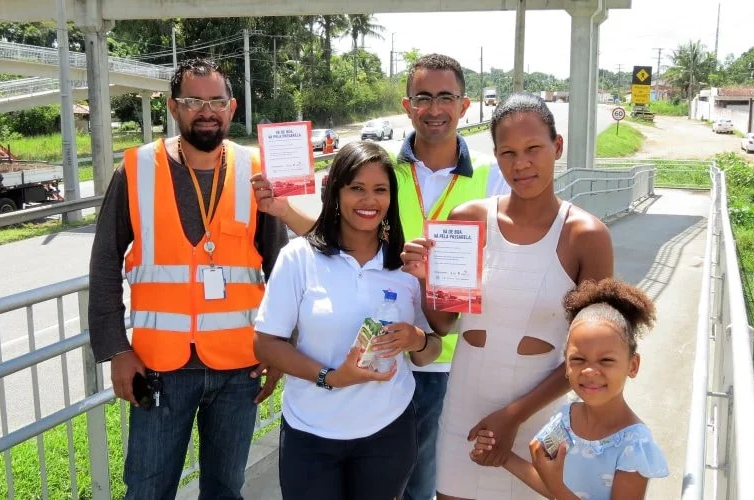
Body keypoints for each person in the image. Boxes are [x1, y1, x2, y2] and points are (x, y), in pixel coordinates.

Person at [251, 54, 510, 500]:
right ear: (407, 106)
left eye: (445, 97)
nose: (434, 108)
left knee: (426, 483)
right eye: (423, 97)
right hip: (386, 367)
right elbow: (331, 236)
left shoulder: (493, 176)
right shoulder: (379, 162)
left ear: (465, 105)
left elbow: (508, 263)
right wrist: (284, 210)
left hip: (450, 355)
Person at [87, 58, 288, 499]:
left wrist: (281, 346)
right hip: (160, 367)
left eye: (216, 100)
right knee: (147, 489)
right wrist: (116, 349)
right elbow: (104, 263)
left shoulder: (255, 172)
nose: (206, 110)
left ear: (232, 108)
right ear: (174, 107)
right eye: (194, 101)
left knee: (225, 489)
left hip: (239, 368)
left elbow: (282, 266)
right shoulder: (137, 170)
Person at [401, 92, 615, 500]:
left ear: (557, 146)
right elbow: (444, 324)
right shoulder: (467, 219)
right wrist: (431, 280)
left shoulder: (586, 236)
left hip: (539, 419)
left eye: (534, 148)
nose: (521, 164)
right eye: (508, 153)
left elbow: (591, 356)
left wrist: (513, 417)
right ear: (496, 157)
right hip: (463, 410)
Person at [252, 140, 444, 500]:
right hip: (310, 434)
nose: (368, 201)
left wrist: (416, 338)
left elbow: (430, 349)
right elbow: (266, 343)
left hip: (388, 432)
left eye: (379, 190)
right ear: (335, 192)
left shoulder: (405, 267)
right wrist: (332, 378)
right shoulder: (299, 257)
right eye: (356, 188)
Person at [472, 279, 669, 499]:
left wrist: (557, 487)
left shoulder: (634, 445)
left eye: (605, 360)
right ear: (566, 365)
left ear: (633, 366)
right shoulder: (565, 418)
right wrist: (502, 457)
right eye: (578, 359)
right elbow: (548, 479)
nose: (590, 371)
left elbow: (556, 487)